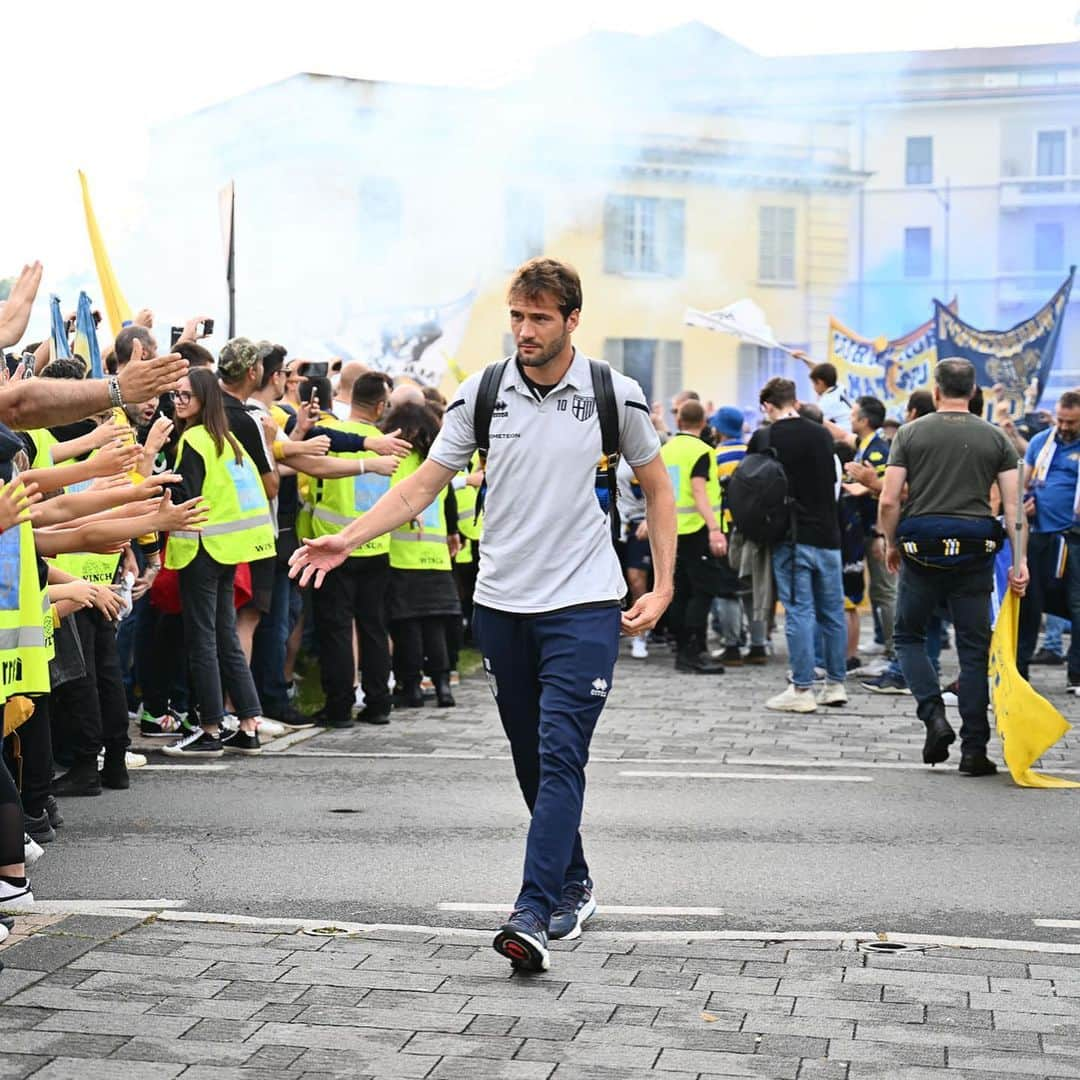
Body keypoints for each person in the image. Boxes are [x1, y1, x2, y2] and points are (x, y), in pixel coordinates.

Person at [291, 257, 674, 973]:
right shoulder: (484, 390)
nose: (524, 331)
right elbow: (421, 488)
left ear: (571, 320)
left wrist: (662, 586)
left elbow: (657, 489)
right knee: (533, 759)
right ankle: (576, 881)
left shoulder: (610, 393)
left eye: (539, 318)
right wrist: (347, 538)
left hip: (583, 603)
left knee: (561, 752)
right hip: (500, 604)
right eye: (517, 317)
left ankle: (531, 911)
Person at [879, 359, 1028, 775]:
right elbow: (1014, 508)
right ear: (974, 388)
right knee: (974, 650)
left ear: (937, 388)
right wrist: (1020, 562)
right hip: (975, 549)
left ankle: (932, 714)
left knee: (908, 635)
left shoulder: (910, 433)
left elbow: (889, 499)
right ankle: (974, 751)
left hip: (922, 546)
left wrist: (890, 542)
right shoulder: (995, 438)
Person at [162, 369, 276, 758]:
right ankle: (247, 724)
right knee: (226, 637)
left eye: (185, 396)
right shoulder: (228, 441)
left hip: (202, 550)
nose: (178, 402)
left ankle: (210, 728)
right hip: (231, 551)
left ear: (204, 398)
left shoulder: (193, 440)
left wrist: (160, 483)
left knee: (203, 640)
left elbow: (186, 497)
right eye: (175, 395)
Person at [751, 377, 847, 712]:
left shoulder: (766, 436)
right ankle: (835, 684)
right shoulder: (821, 434)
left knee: (799, 611)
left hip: (792, 538)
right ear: (794, 399)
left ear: (767, 405)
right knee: (832, 611)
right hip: (829, 536)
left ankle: (802, 688)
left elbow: (753, 488)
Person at [384, 401, 461, 709]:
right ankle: (443, 686)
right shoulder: (435, 462)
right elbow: (450, 499)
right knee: (436, 626)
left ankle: (412, 686)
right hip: (437, 557)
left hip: (403, 556)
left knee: (408, 626)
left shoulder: (396, 460)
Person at [1018, 390, 1080, 691]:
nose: (1065, 427)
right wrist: (1025, 502)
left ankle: (1077, 673)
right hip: (1040, 536)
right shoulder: (1040, 442)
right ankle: (1020, 669)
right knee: (1029, 603)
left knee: (1076, 604)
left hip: (1074, 537)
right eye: (1061, 420)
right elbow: (1024, 484)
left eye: (1072, 422)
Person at [661, 400, 725, 674]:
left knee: (681, 592)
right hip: (696, 529)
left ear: (678, 422)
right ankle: (692, 652)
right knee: (703, 592)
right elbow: (699, 490)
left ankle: (682, 648)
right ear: (705, 421)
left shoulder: (666, 449)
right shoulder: (702, 450)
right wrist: (714, 529)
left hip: (672, 529)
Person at [616, 455, 650, 659]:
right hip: (612, 522)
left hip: (638, 524)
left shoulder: (638, 452)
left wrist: (649, 518)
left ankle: (640, 635)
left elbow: (660, 487)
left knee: (637, 580)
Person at [808, 361, 852, 432]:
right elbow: (822, 372)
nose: (813, 387)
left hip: (845, 436)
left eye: (813, 383)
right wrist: (804, 357)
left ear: (820, 382)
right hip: (852, 430)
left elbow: (812, 424)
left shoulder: (825, 403)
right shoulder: (840, 387)